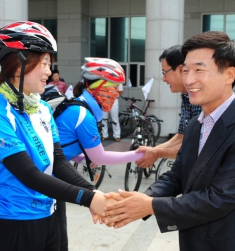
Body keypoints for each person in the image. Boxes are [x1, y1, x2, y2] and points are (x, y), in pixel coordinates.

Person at [102, 31, 235, 251]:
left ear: (229, 74)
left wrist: (150, 206)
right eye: (185, 70)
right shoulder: (196, 124)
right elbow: (178, 176)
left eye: (199, 70)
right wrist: (141, 200)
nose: (188, 79)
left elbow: (218, 200)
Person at [0, 21, 117, 251]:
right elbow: (29, 174)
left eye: (49, 64)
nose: (49, 72)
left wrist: (91, 191)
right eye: (43, 63)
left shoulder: (40, 106)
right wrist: (88, 199)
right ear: (20, 65)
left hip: (49, 216)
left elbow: (58, 161)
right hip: (15, 225)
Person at [54, 57, 143, 250]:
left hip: (53, 181)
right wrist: (138, 155)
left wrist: (82, 157)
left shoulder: (80, 106)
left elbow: (65, 150)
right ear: (96, 86)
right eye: (114, 87)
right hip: (44, 185)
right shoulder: (82, 114)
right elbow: (99, 157)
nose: (118, 94)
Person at [135, 45, 202, 168]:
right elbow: (181, 136)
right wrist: (154, 150)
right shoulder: (186, 97)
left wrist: (157, 152)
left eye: (165, 72)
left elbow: (197, 146)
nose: (164, 79)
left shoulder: (199, 98)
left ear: (181, 70)